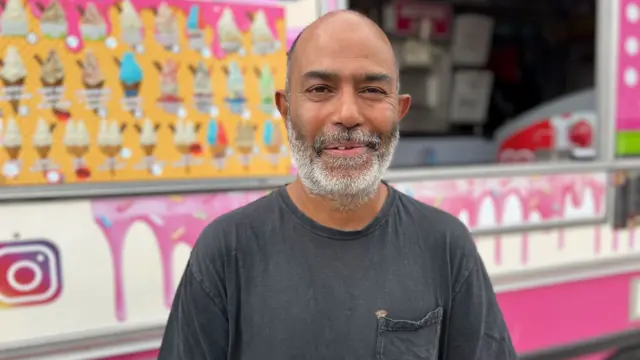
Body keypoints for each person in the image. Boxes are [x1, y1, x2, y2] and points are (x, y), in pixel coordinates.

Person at [159, 10, 517, 360]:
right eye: (320, 89)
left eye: (372, 90)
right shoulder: (227, 251)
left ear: (399, 110)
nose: (347, 114)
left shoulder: (445, 245)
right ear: (285, 110)